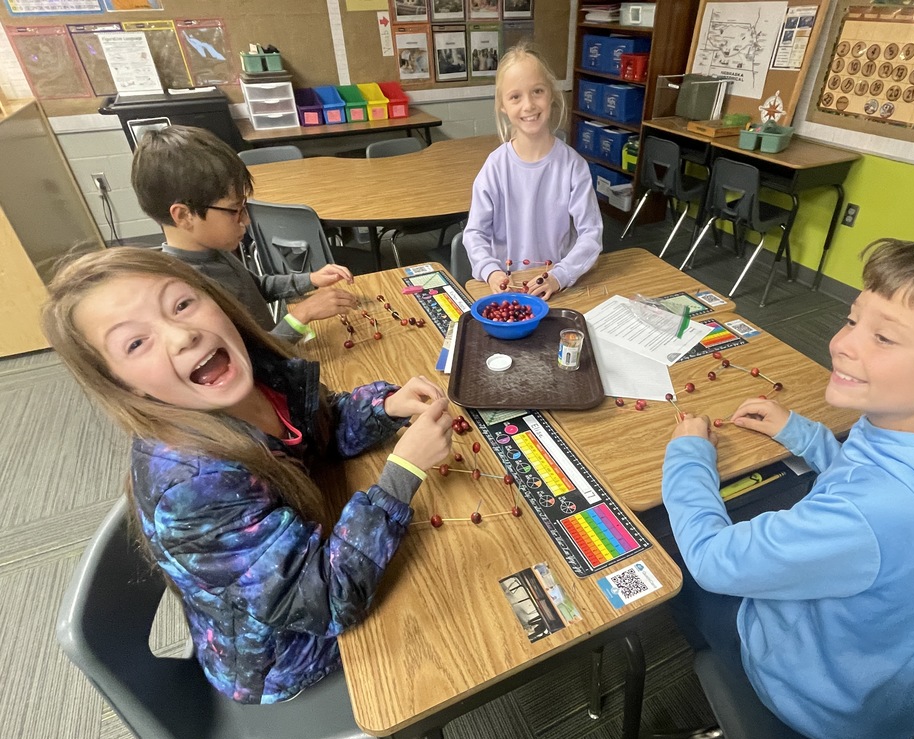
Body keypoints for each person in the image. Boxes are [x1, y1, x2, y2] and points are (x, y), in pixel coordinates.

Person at [42, 247, 454, 704]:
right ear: (124, 386)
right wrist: (402, 473)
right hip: (284, 656)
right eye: (136, 343)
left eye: (182, 303)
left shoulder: (254, 375)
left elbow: (316, 428)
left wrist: (385, 408)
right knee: (451, 610)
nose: (181, 335)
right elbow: (328, 601)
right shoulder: (192, 488)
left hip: (307, 562)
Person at [663, 239, 914, 739]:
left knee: (674, 563)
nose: (842, 344)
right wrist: (805, 434)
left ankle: (741, 725)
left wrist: (688, 456)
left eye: (884, 338)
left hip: (822, 704)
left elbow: (714, 561)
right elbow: (874, 474)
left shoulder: (870, 514)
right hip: (887, 688)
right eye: (853, 320)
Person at [131, 125, 356, 343]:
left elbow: (256, 288)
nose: (246, 220)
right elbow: (248, 358)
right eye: (235, 210)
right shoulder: (189, 292)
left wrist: (311, 279)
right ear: (184, 216)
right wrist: (300, 316)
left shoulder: (214, 250)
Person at [463, 43, 602, 300]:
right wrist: (491, 272)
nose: (528, 105)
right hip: (508, 289)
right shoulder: (495, 167)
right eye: (515, 97)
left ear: (551, 94)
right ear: (503, 105)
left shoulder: (573, 166)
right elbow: (474, 233)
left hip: (558, 290)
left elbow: (591, 235)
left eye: (537, 91)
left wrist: (560, 275)